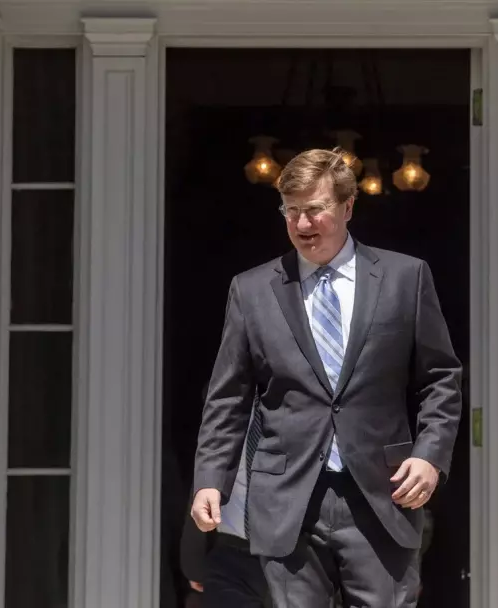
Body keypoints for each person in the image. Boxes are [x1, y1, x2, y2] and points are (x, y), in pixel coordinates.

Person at [190, 147, 462, 607]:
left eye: (314, 209)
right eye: (290, 211)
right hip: (287, 498)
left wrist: (429, 456)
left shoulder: (405, 277)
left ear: (348, 207)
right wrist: (210, 478)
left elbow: (440, 378)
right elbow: (229, 397)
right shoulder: (252, 289)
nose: (302, 224)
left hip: (382, 494)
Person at [180, 389, 271, 608]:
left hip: (292, 554)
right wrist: (194, 564)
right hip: (231, 556)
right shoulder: (224, 415)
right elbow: (203, 487)